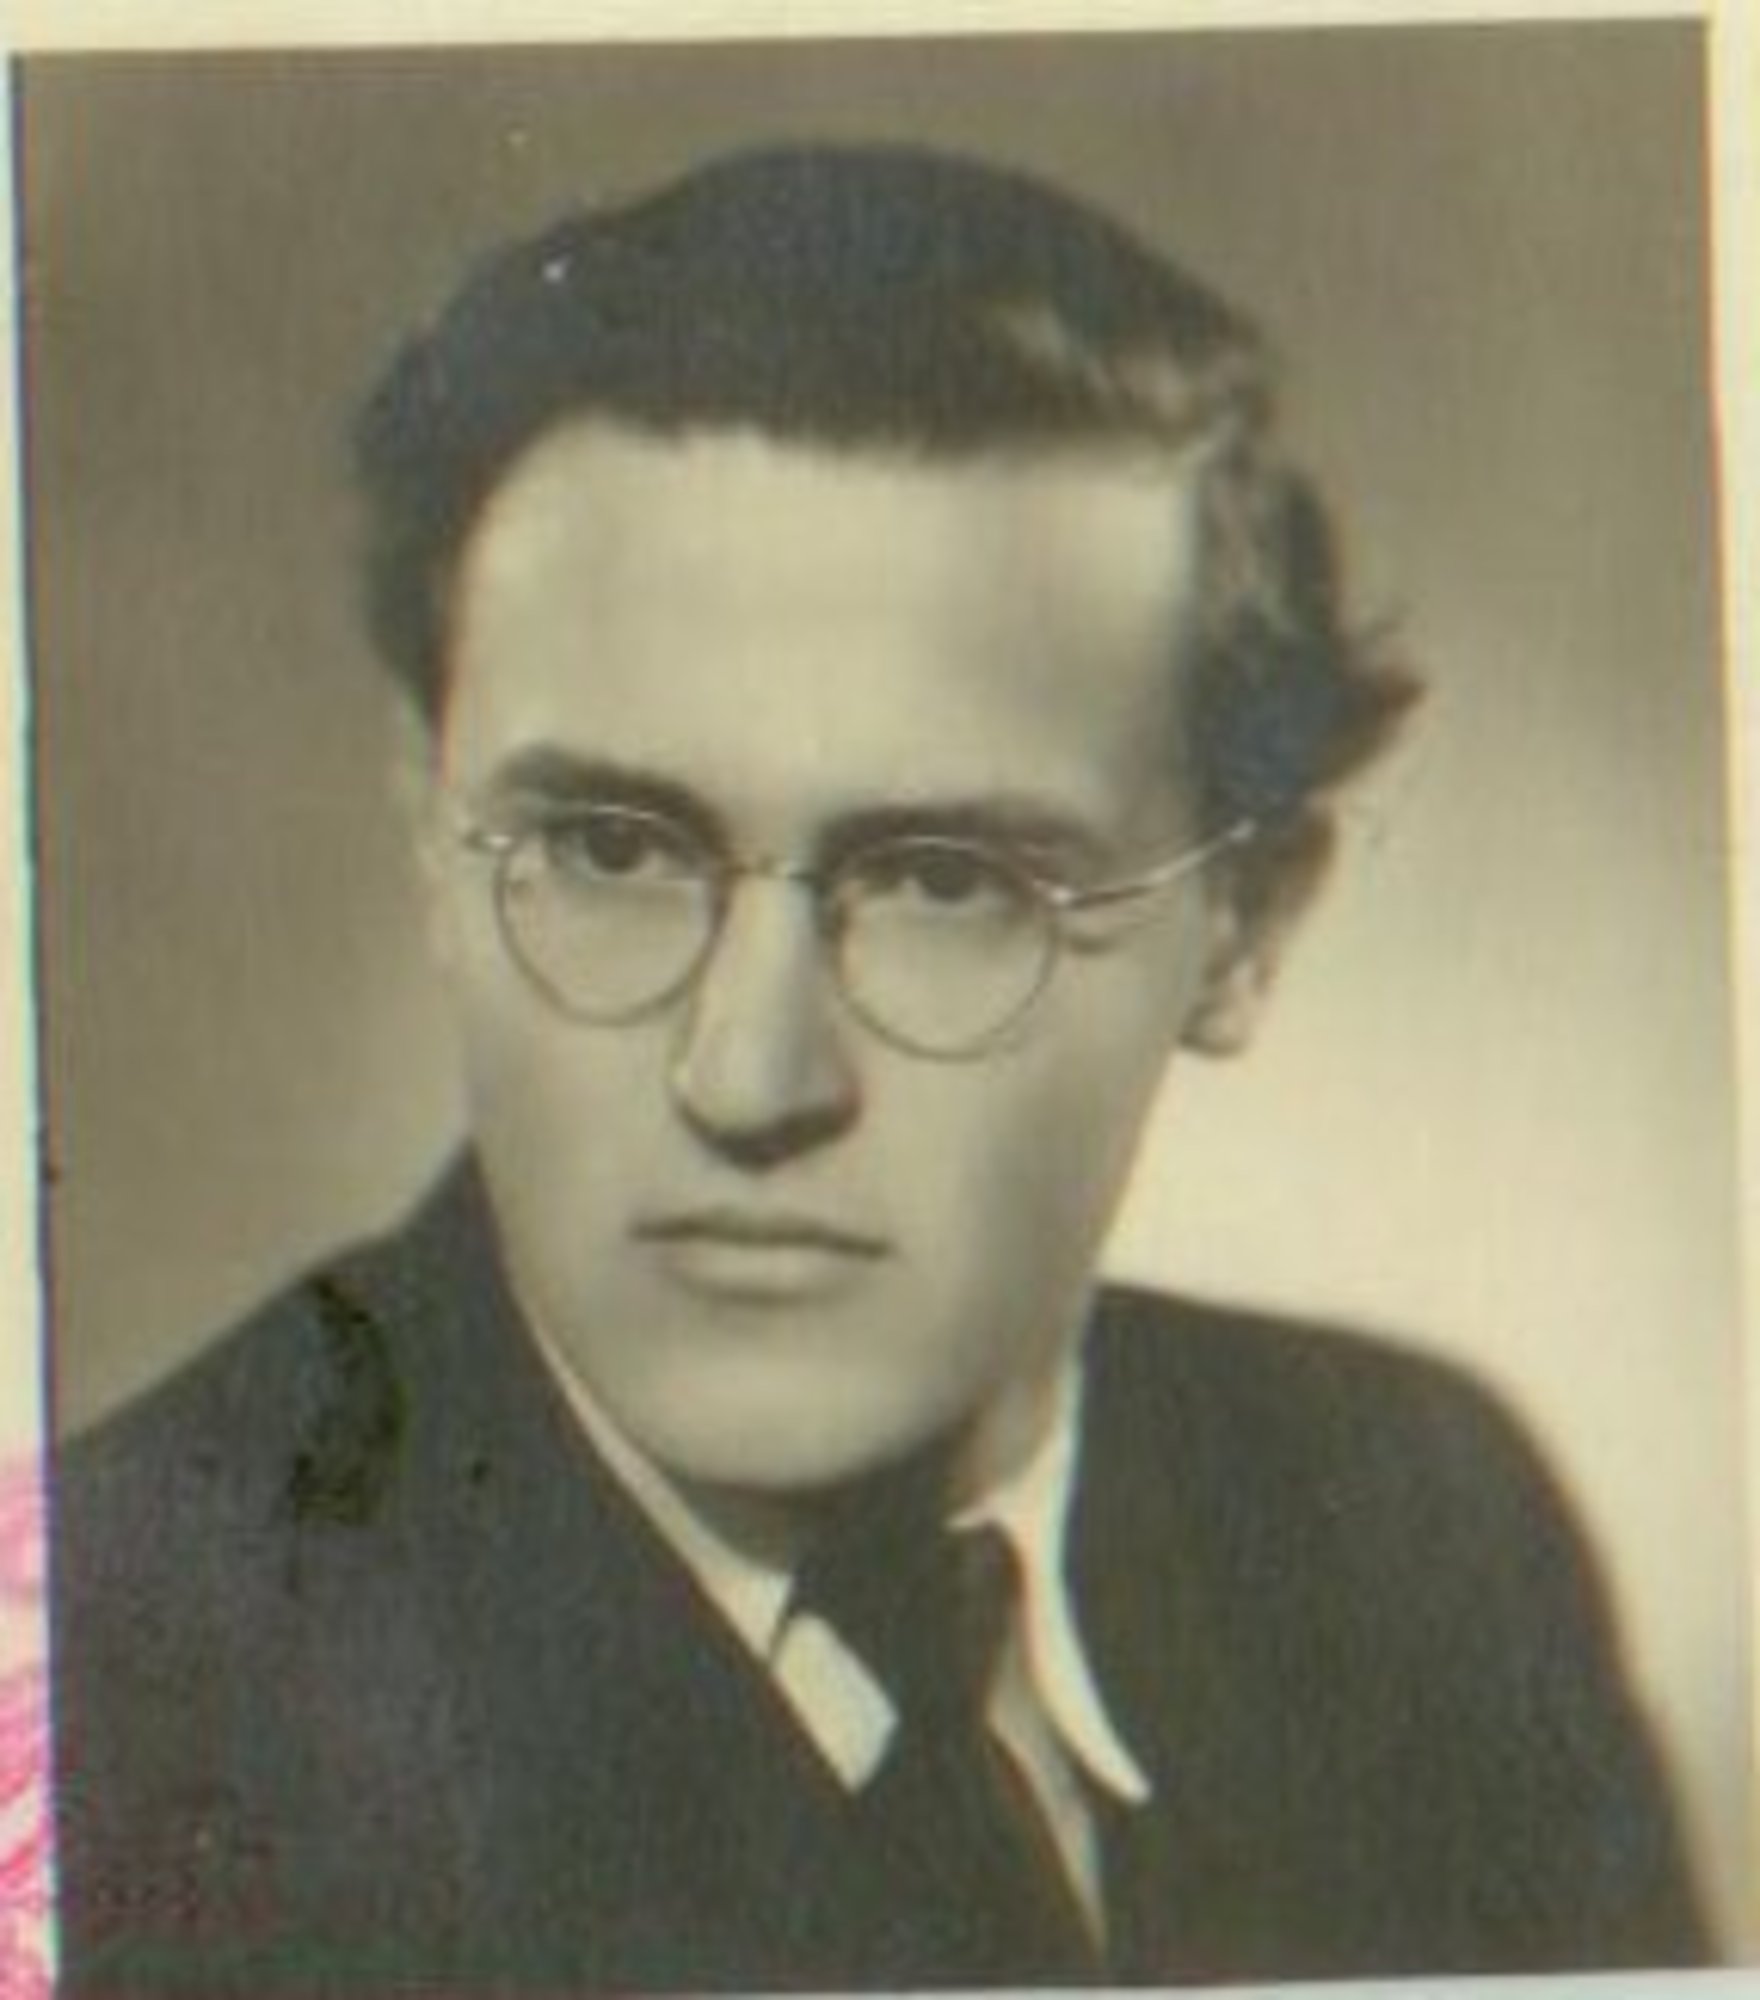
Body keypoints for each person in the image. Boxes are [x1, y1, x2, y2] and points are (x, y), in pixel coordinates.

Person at [50, 141, 1711, 1991]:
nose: (748, 1079)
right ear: (436, 848)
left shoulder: (1423, 1530)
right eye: (610, 847)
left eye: (944, 882)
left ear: (1243, 928)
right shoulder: (97, 1709)